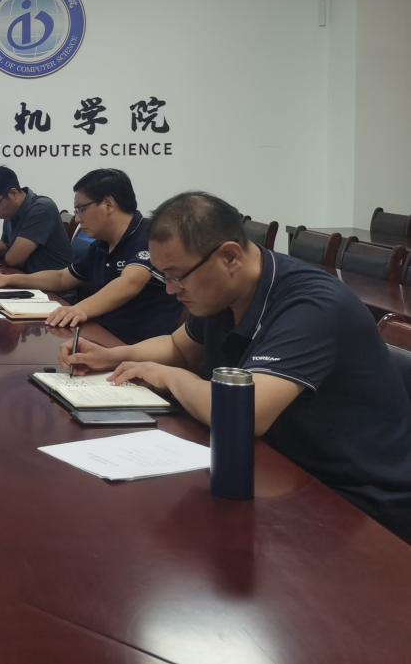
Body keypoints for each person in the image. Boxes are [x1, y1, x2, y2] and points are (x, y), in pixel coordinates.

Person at [63, 191, 411, 542]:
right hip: (280, 465)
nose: (170, 290)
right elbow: (178, 347)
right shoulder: (223, 290)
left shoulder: (313, 305)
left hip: (360, 503)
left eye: (177, 276)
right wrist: (112, 356)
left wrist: (170, 377)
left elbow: (245, 412)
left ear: (229, 256)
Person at [0, 168, 179, 342]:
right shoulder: (101, 244)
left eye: (81, 209)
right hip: (100, 336)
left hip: (136, 348)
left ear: (108, 204)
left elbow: (130, 282)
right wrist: (10, 279)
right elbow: (62, 278)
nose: (78, 219)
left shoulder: (148, 236)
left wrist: (78, 309)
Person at [0, 164, 70, 272]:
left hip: (51, 280)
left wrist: (5, 252)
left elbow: (13, 260)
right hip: (28, 275)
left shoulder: (42, 209)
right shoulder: (11, 211)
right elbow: (6, 244)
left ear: (13, 193)